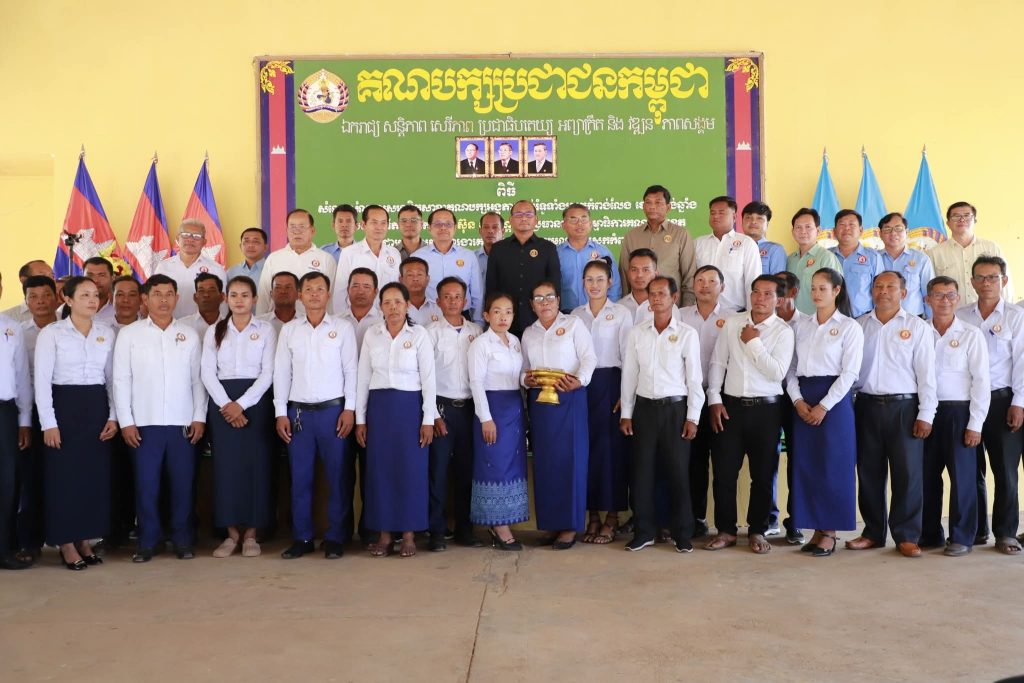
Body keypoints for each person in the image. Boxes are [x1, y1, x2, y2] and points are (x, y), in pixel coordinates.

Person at [112, 274, 207, 562]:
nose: (163, 300)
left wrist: (199, 417)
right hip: (144, 423)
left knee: (182, 485)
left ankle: (182, 539)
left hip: (182, 423)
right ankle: (148, 541)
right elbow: (121, 380)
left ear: (177, 298)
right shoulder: (129, 335)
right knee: (146, 485)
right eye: (157, 294)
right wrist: (126, 421)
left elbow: (197, 380)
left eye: (168, 294)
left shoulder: (189, 334)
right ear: (145, 298)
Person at [846, 271, 937, 557]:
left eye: (890, 287)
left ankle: (907, 535)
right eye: (878, 286)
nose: (883, 291)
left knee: (907, 474)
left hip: (905, 408)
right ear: (871, 291)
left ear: (903, 293)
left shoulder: (917, 327)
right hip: (866, 406)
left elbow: (927, 375)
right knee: (869, 472)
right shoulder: (859, 325)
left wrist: (926, 414)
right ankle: (873, 532)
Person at [705, 275, 795, 554]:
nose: (760, 298)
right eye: (756, 292)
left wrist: (753, 343)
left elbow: (777, 372)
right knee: (724, 473)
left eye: (768, 294)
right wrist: (714, 399)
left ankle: (757, 530)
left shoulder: (783, 331)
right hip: (730, 408)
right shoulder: (733, 323)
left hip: (767, 410)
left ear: (779, 300)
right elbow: (718, 362)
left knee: (763, 475)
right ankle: (726, 531)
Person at [34, 276, 118, 570]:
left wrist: (113, 416)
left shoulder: (106, 332)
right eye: (84, 295)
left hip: (96, 408)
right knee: (64, 478)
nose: (92, 300)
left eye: (95, 295)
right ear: (67, 300)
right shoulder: (52, 333)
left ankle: (85, 538)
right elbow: (42, 381)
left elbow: (112, 379)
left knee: (92, 478)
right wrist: (48, 423)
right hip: (63, 408)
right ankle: (66, 542)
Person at [273, 272, 357, 560]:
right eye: (308, 289)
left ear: (328, 294)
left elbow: (351, 371)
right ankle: (303, 537)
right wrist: (280, 412)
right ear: (300, 295)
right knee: (300, 478)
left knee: (337, 477)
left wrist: (349, 409)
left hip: (334, 412)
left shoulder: (342, 328)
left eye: (320, 289)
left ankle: (336, 537)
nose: (314, 294)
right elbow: (281, 373)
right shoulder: (290, 331)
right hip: (299, 415)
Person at [620, 275, 703, 552]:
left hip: (675, 410)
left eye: (662, 294)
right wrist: (626, 413)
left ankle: (682, 533)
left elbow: (694, 379)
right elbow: (629, 375)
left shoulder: (687, 334)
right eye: (652, 294)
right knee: (642, 472)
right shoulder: (637, 333)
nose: (656, 299)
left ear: (674, 298)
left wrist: (693, 417)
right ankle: (644, 531)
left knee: (678, 472)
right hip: (644, 409)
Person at [785, 268, 863, 556]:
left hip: (834, 402)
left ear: (836, 291)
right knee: (808, 465)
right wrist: (797, 400)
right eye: (814, 288)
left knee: (833, 465)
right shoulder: (801, 326)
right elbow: (791, 368)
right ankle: (816, 529)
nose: (816, 294)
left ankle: (830, 532)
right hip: (804, 399)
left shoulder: (849, 327)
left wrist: (824, 406)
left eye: (823, 288)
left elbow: (849, 373)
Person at [356, 282, 436, 558]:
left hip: (409, 409)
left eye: (398, 302)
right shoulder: (372, 334)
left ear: (407, 305)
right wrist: (360, 419)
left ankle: (409, 534)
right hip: (380, 409)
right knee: (380, 471)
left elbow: (429, 380)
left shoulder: (419, 335)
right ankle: (385, 534)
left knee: (411, 471)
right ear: (380, 307)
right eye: (387, 303)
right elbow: (363, 377)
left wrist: (428, 419)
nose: (393, 308)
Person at [201, 276, 276, 558]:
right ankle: (231, 534)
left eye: (245, 295)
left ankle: (252, 534)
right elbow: (207, 373)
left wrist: (242, 404)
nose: (239, 300)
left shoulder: (266, 330)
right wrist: (227, 406)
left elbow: (268, 373)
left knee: (257, 467)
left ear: (255, 299)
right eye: (234, 295)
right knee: (226, 469)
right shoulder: (215, 331)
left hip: (255, 402)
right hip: (222, 404)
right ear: (226, 298)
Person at [522, 281, 597, 549]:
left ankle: (570, 526)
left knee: (570, 461)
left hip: (569, 397)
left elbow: (589, 358)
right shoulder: (528, 333)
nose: (544, 302)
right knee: (546, 463)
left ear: (558, 300)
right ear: (532, 305)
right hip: (540, 403)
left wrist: (580, 380)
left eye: (549, 297)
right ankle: (551, 524)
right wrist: (525, 380)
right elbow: (523, 368)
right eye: (538, 298)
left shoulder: (574, 324)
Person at [957, 255, 1024, 553]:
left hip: (1002, 402)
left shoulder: (1015, 316)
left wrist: (1019, 403)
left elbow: (1022, 363)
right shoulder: (961, 315)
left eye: (993, 277)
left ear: (1004, 281)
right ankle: (976, 530)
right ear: (972, 282)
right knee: (971, 470)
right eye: (981, 278)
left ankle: (1006, 533)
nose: (986, 283)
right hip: (967, 403)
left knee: (1005, 471)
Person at [921, 276, 989, 556]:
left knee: (963, 478)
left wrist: (975, 424)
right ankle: (929, 534)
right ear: (927, 299)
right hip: (924, 412)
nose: (945, 300)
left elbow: (981, 381)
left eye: (950, 295)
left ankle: (962, 537)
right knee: (925, 476)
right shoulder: (920, 332)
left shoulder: (971, 334)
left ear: (958, 299)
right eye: (938, 295)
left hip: (959, 412)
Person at [571, 259, 633, 544]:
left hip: (611, 384)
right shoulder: (575, 316)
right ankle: (593, 517)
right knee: (587, 452)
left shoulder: (621, 313)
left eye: (600, 279)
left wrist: (625, 394)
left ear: (610, 283)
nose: (594, 285)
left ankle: (612, 518)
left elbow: (629, 357)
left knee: (611, 452)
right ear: (582, 283)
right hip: (581, 387)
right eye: (589, 280)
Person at [426, 277, 485, 550]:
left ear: (466, 300)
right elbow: (425, 378)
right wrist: (433, 415)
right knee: (437, 472)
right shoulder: (430, 333)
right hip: (441, 409)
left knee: (466, 471)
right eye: (447, 297)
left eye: (457, 296)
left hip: (469, 409)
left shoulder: (478, 332)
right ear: (438, 301)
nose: (452, 301)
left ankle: (465, 529)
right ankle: (436, 531)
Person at [468, 292, 528, 550]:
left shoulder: (515, 341)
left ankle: (507, 520)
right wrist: (486, 418)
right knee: (494, 466)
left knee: (512, 465)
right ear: (486, 315)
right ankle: (497, 525)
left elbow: (518, 376)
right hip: (492, 410)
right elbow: (476, 382)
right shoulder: (481, 344)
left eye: (508, 312)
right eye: (497, 311)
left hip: (514, 409)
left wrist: (528, 380)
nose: (503, 317)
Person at [678, 265, 729, 539]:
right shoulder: (681, 316)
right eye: (700, 280)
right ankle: (696, 518)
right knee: (693, 462)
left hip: (722, 399)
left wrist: (716, 396)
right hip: (688, 399)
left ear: (723, 287)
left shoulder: (733, 318)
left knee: (723, 463)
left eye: (711, 281)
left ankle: (725, 526)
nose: (705, 285)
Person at [15, 275, 58, 562]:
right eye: (34, 296)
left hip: (62, 411)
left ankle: (65, 537)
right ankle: (30, 542)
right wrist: (24, 422)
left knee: (61, 478)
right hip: (29, 414)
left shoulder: (68, 328)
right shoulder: (18, 333)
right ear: (26, 301)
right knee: (30, 478)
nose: (40, 302)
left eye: (46, 295)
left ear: (57, 297)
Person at [766, 270, 806, 542]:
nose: (774, 297)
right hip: (767, 398)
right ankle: (769, 517)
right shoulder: (761, 322)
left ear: (792, 293)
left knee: (797, 460)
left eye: (779, 291)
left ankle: (796, 522)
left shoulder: (807, 325)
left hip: (797, 400)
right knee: (767, 459)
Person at [484, 199, 560, 337]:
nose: (524, 218)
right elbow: (491, 288)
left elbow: (555, 286)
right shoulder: (498, 249)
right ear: (510, 220)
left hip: (539, 321)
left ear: (536, 220)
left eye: (528, 214)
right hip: (505, 321)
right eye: (518, 214)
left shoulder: (548, 248)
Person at [0, 273, 35, 570]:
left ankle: (4, 548)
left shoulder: (11, 328)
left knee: (6, 482)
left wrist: (24, 420)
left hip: (5, 412)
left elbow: (22, 376)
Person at [618, 185, 696, 306]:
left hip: (671, 307)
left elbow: (689, 276)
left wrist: (686, 309)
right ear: (643, 206)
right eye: (648, 202)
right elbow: (624, 276)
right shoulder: (631, 236)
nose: (652, 207)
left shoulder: (681, 234)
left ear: (668, 207)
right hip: (636, 308)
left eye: (658, 202)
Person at [928, 201, 1014, 307]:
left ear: (975, 220)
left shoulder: (991, 248)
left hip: (988, 312)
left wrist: (1008, 310)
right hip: (952, 313)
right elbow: (930, 288)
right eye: (956, 216)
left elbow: (1005, 283)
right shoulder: (935, 253)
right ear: (948, 223)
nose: (962, 219)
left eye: (967, 216)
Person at [257, 209, 334, 316]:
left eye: (302, 227)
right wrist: (260, 320)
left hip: (314, 321)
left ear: (312, 231)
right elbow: (263, 295)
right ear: (286, 231)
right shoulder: (274, 258)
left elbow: (331, 297)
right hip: (280, 320)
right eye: (292, 227)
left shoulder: (326, 259)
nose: (297, 232)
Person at [694, 196, 762, 312]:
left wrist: (751, 316)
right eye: (712, 213)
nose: (716, 216)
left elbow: (753, 282)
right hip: (703, 313)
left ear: (734, 217)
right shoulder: (698, 243)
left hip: (736, 313)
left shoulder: (747, 243)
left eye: (721, 213)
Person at [415, 207, 483, 320]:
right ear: (429, 228)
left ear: (455, 228)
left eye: (448, 224)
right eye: (438, 224)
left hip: (462, 317)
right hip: (427, 317)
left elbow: (477, 294)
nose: (443, 227)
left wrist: (478, 322)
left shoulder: (469, 256)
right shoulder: (418, 257)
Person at [333, 204, 401, 311]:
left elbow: (398, 289)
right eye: (374, 222)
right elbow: (339, 294)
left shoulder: (394, 253)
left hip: (388, 316)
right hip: (358, 317)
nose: (379, 227)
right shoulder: (349, 253)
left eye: (383, 223)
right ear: (363, 225)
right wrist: (343, 318)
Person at [154, 219, 227, 318]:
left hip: (202, 325)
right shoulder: (163, 267)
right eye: (185, 234)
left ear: (204, 242)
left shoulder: (216, 269)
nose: (190, 239)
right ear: (178, 238)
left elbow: (222, 306)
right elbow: (154, 298)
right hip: (169, 324)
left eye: (196, 236)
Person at [557, 203, 621, 312]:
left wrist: (609, 312)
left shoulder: (603, 252)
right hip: (565, 314)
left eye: (584, 219)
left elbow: (614, 286)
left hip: (597, 313)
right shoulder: (556, 254)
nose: (579, 224)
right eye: (573, 219)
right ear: (563, 225)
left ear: (590, 224)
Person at [786, 208, 843, 315]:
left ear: (818, 230)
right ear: (793, 232)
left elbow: (836, 294)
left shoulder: (827, 257)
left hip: (817, 320)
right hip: (792, 320)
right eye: (798, 227)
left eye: (808, 227)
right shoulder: (790, 259)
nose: (803, 231)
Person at [878, 212, 935, 318]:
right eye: (887, 229)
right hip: (880, 319)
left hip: (913, 319)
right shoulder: (874, 259)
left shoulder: (921, 259)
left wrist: (930, 321)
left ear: (907, 232)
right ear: (880, 234)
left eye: (898, 228)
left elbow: (929, 294)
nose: (893, 233)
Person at [829, 209, 883, 318]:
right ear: (834, 231)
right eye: (842, 224)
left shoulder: (873, 257)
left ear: (861, 230)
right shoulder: (826, 256)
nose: (847, 228)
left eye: (851, 224)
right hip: (831, 318)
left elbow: (880, 290)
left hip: (863, 319)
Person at [742, 201, 786, 275]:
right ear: (742, 221)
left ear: (767, 224)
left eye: (759, 218)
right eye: (748, 217)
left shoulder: (775, 250)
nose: (753, 222)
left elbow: (778, 281)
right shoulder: (734, 247)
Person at [400, 257, 443, 326]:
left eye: (419, 274)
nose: (415, 279)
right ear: (401, 280)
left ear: (427, 279)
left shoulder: (439, 308)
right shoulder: (395, 308)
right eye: (410, 275)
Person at [179, 272, 224, 337]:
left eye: (211, 290)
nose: (206, 295)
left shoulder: (230, 326)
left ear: (222, 297)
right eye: (201, 291)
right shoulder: (181, 325)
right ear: (195, 298)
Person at [82, 256, 116, 325]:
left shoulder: (120, 308)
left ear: (112, 279)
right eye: (90, 275)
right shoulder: (70, 307)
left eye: (101, 275)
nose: (95, 280)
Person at [476, 212, 504, 283]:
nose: (490, 231)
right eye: (486, 227)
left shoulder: (512, 257)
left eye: (495, 227)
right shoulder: (472, 258)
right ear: (480, 231)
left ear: (503, 231)